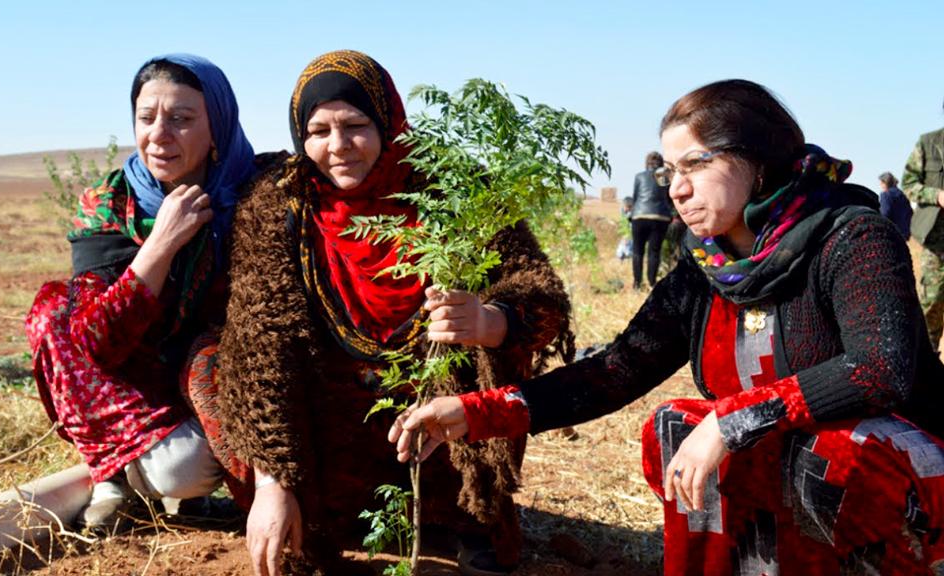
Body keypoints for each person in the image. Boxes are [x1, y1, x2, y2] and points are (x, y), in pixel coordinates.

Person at [392, 79, 944, 575]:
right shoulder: (707, 267)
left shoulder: (852, 237)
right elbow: (615, 371)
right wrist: (477, 411)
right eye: (671, 171)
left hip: (899, 470)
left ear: (758, 161)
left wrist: (732, 420)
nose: (677, 188)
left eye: (697, 165)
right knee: (676, 424)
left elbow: (879, 370)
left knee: (831, 454)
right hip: (785, 465)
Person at [217, 50, 573, 576]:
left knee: (486, 358)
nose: (337, 147)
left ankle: (473, 518)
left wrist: (491, 320)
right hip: (331, 417)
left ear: (389, 122)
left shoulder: (453, 190)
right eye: (318, 131)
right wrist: (272, 480)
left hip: (438, 415)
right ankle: (315, 514)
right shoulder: (278, 204)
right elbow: (262, 345)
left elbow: (543, 300)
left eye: (356, 125)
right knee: (220, 369)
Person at [25, 54, 257, 529]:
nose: (160, 134)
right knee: (52, 311)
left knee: (182, 472)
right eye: (147, 118)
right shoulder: (111, 202)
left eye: (182, 119)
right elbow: (97, 343)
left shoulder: (254, 196)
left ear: (218, 126)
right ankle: (112, 473)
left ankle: (144, 476)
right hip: (136, 384)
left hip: (212, 378)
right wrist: (162, 243)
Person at [902, 112, 944, 351]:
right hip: (936, 244)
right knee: (931, 307)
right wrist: (936, 195)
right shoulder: (929, 144)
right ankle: (929, 372)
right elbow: (908, 184)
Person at [630, 151, 673, 289]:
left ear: (646, 163)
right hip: (660, 217)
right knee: (654, 251)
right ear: (661, 163)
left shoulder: (639, 176)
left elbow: (635, 198)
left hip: (639, 215)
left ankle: (637, 284)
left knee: (637, 251)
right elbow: (669, 199)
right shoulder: (663, 176)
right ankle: (652, 282)